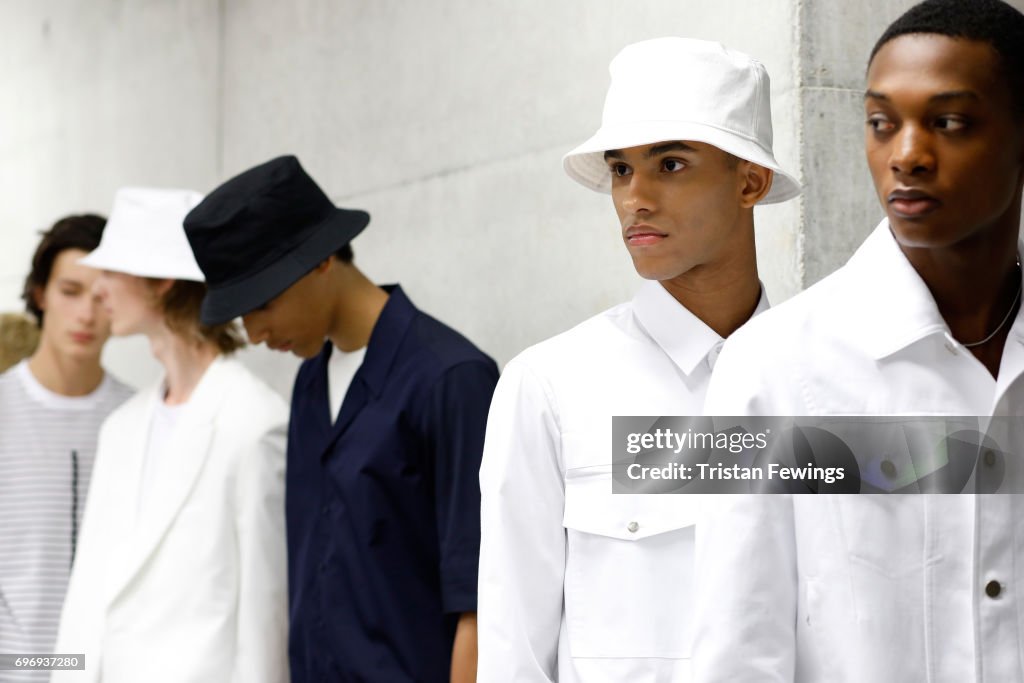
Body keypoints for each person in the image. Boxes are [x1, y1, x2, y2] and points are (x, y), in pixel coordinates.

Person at [694, 1, 1024, 680]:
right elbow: (738, 656)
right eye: (881, 122)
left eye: (949, 122)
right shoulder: (772, 366)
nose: (906, 155)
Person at [477, 37, 799, 682]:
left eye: (670, 164)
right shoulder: (550, 387)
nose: (634, 198)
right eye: (621, 170)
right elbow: (514, 653)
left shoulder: (822, 375)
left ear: (750, 181)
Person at [183, 155, 499, 683]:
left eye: (262, 303)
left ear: (322, 260)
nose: (254, 333)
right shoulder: (311, 382)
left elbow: (482, 600)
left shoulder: (451, 378)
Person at [52, 188, 289, 683]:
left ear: (161, 282)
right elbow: (87, 595)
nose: (99, 291)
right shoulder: (121, 427)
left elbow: (264, 616)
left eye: (111, 271)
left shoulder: (254, 423)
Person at [0, 215, 131, 683]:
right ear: (40, 295)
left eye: (101, 296)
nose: (86, 315)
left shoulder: (137, 419)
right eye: (70, 291)